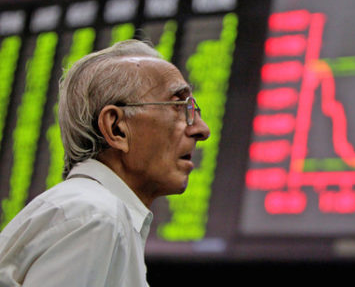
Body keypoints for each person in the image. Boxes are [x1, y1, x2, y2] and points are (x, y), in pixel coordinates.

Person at [0, 39, 210, 286]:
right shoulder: (95, 216)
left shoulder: (96, 213)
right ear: (116, 128)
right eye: (179, 105)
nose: (201, 129)